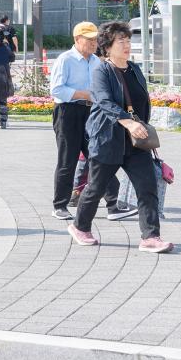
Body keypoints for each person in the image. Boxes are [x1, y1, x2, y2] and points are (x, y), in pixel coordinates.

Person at [68, 21, 173, 253]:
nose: (127, 45)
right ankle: (80, 226)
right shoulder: (101, 71)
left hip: (135, 141)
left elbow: (142, 102)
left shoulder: (134, 69)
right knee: (96, 187)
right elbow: (103, 101)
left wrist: (141, 126)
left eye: (128, 40)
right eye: (121, 41)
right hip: (107, 138)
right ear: (107, 46)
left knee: (147, 187)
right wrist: (128, 122)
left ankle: (150, 237)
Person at [51, 22, 125, 221]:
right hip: (68, 113)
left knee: (99, 156)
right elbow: (57, 90)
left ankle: (113, 204)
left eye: (95, 39)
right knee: (68, 160)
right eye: (89, 39)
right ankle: (60, 205)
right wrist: (86, 95)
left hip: (92, 113)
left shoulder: (97, 62)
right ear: (77, 39)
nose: (94, 43)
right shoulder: (65, 60)